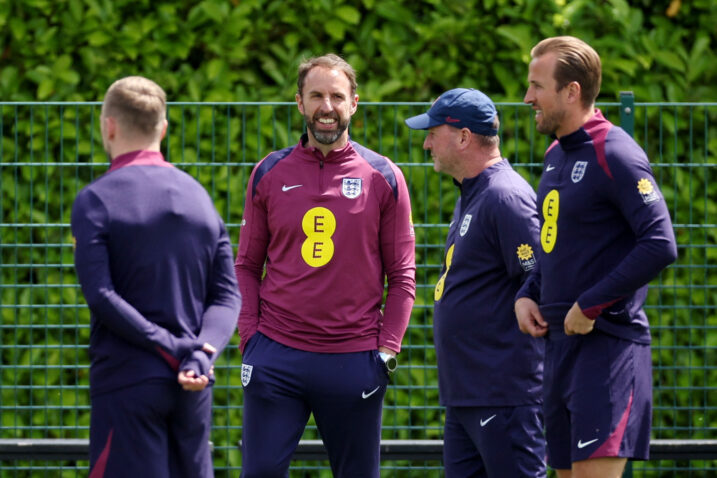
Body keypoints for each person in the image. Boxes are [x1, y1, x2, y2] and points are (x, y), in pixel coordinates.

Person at [234, 53, 416, 477]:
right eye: (316, 95)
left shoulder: (382, 176)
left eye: (337, 95)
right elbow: (246, 265)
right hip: (276, 356)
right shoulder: (269, 172)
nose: (326, 106)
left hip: (354, 361)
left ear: (354, 102)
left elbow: (403, 275)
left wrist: (386, 351)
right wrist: (250, 339)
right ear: (300, 102)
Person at [515, 36, 678, 478]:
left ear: (571, 91)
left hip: (607, 351)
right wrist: (528, 293)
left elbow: (660, 242)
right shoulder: (554, 155)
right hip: (559, 351)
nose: (528, 97)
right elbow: (557, 244)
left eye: (537, 86)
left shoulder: (616, 152)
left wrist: (591, 304)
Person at [71, 76, 241, 478]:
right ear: (163, 129)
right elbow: (227, 297)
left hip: (128, 385)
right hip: (194, 385)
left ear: (109, 126)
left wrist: (169, 348)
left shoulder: (95, 199)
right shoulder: (200, 198)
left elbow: (100, 295)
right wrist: (201, 353)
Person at [405, 88, 546, 477]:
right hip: (469, 396)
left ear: (464, 137)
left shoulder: (504, 196)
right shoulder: (473, 192)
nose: (426, 142)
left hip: (503, 395)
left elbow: (539, 276)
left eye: (433, 132)